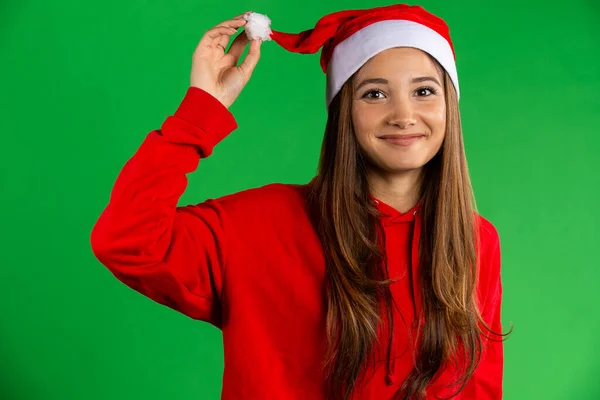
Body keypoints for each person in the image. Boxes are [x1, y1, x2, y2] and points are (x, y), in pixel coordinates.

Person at [90, 4, 508, 400]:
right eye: (374, 94)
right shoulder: (260, 223)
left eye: (424, 90)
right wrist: (203, 109)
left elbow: (479, 388)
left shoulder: (474, 239)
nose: (403, 114)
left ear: (450, 108)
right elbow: (128, 239)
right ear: (343, 111)